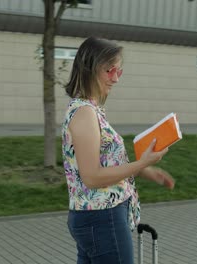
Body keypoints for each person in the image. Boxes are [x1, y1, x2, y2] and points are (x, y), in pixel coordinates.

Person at [61, 36, 175, 264]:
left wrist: (145, 170)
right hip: (102, 218)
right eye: (110, 70)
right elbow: (92, 177)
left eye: (119, 72)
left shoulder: (92, 109)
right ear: (89, 68)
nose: (115, 79)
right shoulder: (84, 112)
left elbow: (104, 163)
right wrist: (141, 163)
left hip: (98, 218)